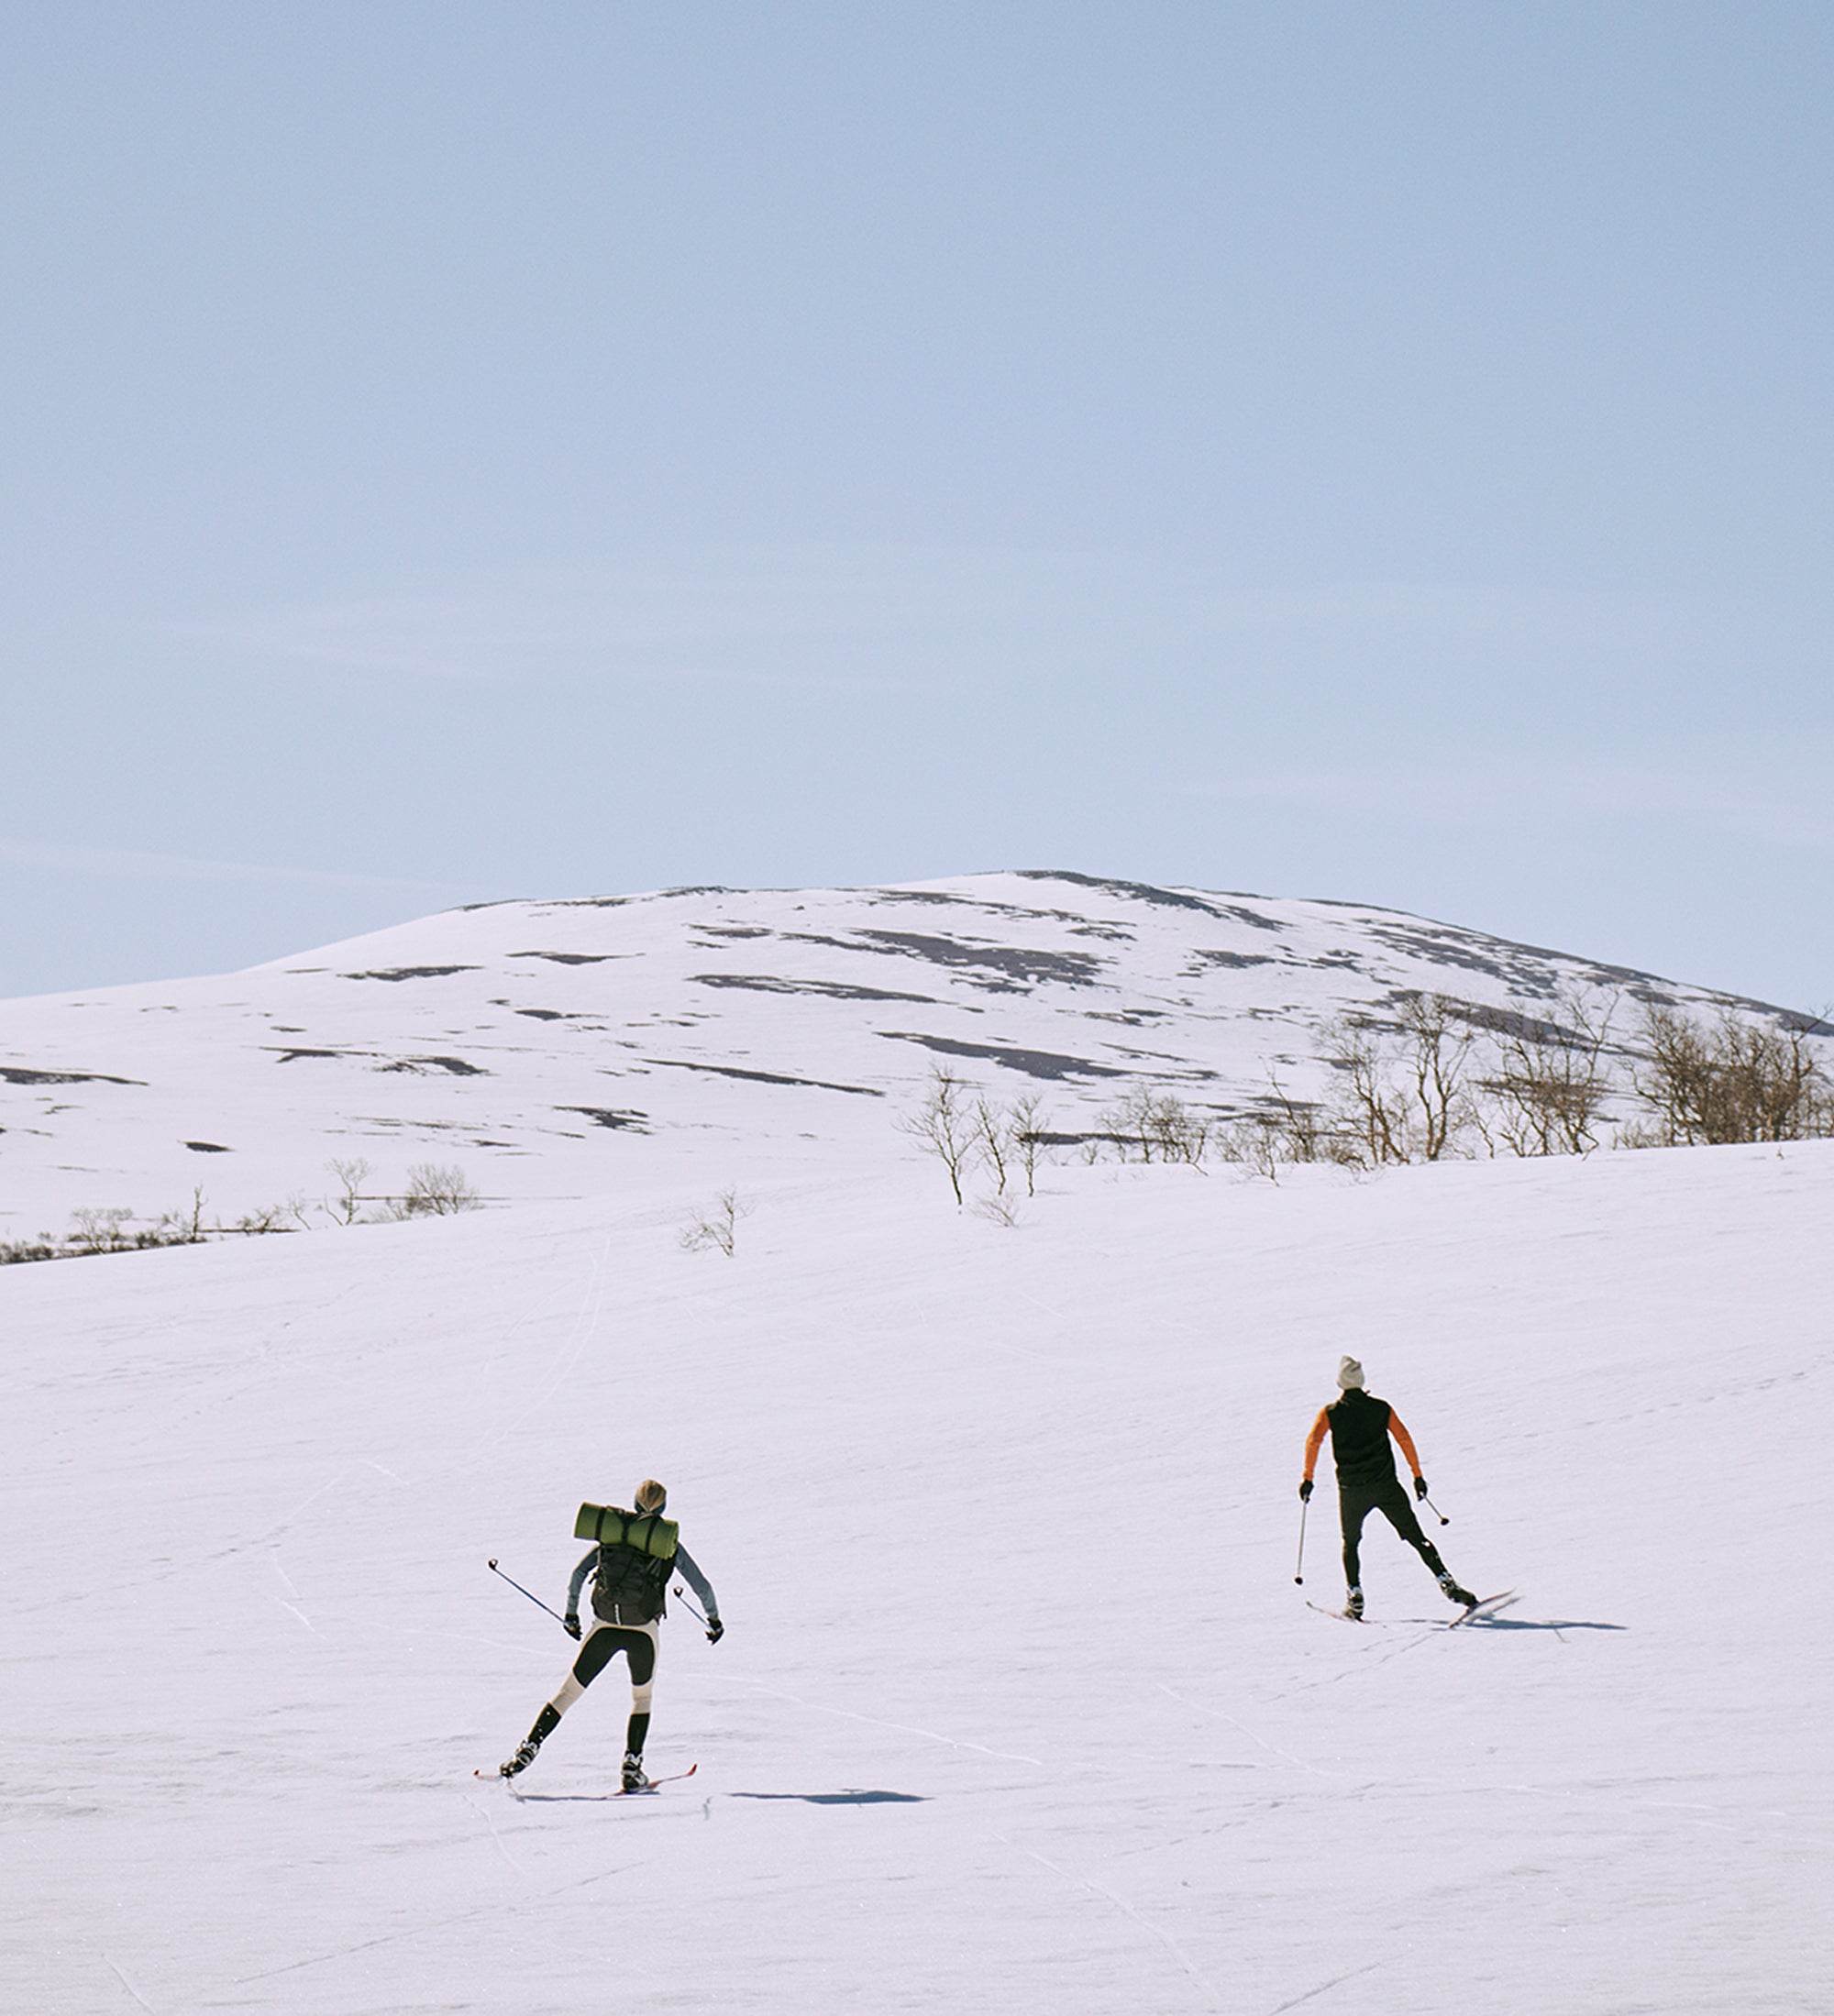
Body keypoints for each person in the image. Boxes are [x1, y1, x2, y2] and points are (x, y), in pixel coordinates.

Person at [498, 1478, 722, 1790]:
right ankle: (632, 1764)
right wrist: (713, 1621)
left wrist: (571, 1615)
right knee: (641, 1698)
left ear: (634, 1503)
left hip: (603, 1627)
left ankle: (528, 1748)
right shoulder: (667, 1543)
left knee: (567, 1694)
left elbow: (578, 1574)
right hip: (642, 1631)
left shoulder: (612, 1536)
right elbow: (702, 1586)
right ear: (663, 1509)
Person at [1300, 1358, 1475, 1618]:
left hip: (1352, 1490)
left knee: (1351, 1542)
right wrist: (1417, 1476)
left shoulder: (1330, 1413)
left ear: (1340, 1382)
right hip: (1386, 1486)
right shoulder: (1381, 1409)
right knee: (1417, 1537)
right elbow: (1403, 1438)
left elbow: (1314, 1441)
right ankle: (1446, 1582)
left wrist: (1308, 1479)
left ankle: (1355, 1596)